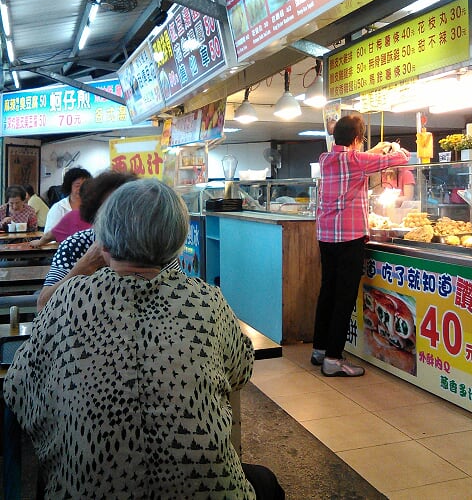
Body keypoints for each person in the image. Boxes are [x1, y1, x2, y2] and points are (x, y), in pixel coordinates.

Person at [5, 179, 285, 499]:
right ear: (177, 243)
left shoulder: (69, 299)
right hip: (206, 490)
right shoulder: (207, 300)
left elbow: (18, 388)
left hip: (88, 488)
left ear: (104, 243)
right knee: (264, 482)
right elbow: (240, 370)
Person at [311, 114, 410, 377]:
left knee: (328, 292)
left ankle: (319, 349)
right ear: (357, 139)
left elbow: (356, 157)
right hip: (350, 238)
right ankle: (333, 359)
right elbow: (402, 158)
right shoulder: (357, 161)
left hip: (326, 236)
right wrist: (394, 147)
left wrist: (373, 149)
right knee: (344, 298)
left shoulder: (325, 159)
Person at [36, 169, 137, 311]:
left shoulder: (149, 245)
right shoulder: (75, 245)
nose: (119, 218)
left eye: (127, 209)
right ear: (94, 212)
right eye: (109, 211)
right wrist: (85, 266)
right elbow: (43, 305)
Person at [43, 166, 91, 232]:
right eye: (77, 186)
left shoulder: (93, 207)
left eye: (85, 185)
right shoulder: (59, 208)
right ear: (69, 186)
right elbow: (49, 233)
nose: (82, 189)